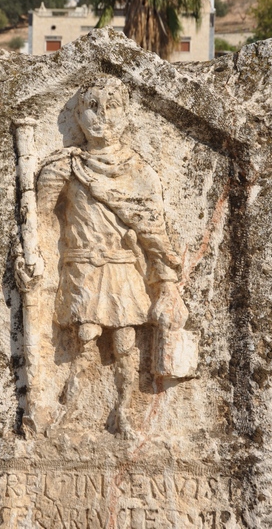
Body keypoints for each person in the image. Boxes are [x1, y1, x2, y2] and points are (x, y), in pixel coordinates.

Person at [36, 75, 187, 438]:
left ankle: (124, 411)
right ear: (77, 115)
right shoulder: (66, 165)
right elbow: (40, 218)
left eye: (112, 107)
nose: (101, 116)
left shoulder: (138, 169)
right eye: (91, 107)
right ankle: (69, 408)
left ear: (126, 114)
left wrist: (167, 284)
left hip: (122, 268)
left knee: (124, 341)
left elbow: (154, 228)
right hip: (83, 267)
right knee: (85, 337)